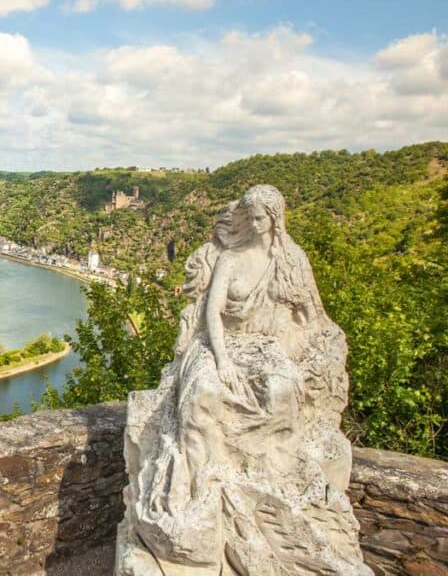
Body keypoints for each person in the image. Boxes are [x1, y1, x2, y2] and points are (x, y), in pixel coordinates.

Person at [117, 185, 371, 575]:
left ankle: (280, 479)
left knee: (281, 390)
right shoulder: (231, 259)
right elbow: (213, 314)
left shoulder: (292, 261)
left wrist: (315, 349)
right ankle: (199, 486)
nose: (253, 224)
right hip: (219, 344)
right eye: (248, 218)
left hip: (266, 347)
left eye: (260, 218)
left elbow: (311, 315)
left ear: (275, 218)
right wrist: (221, 359)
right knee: (202, 392)